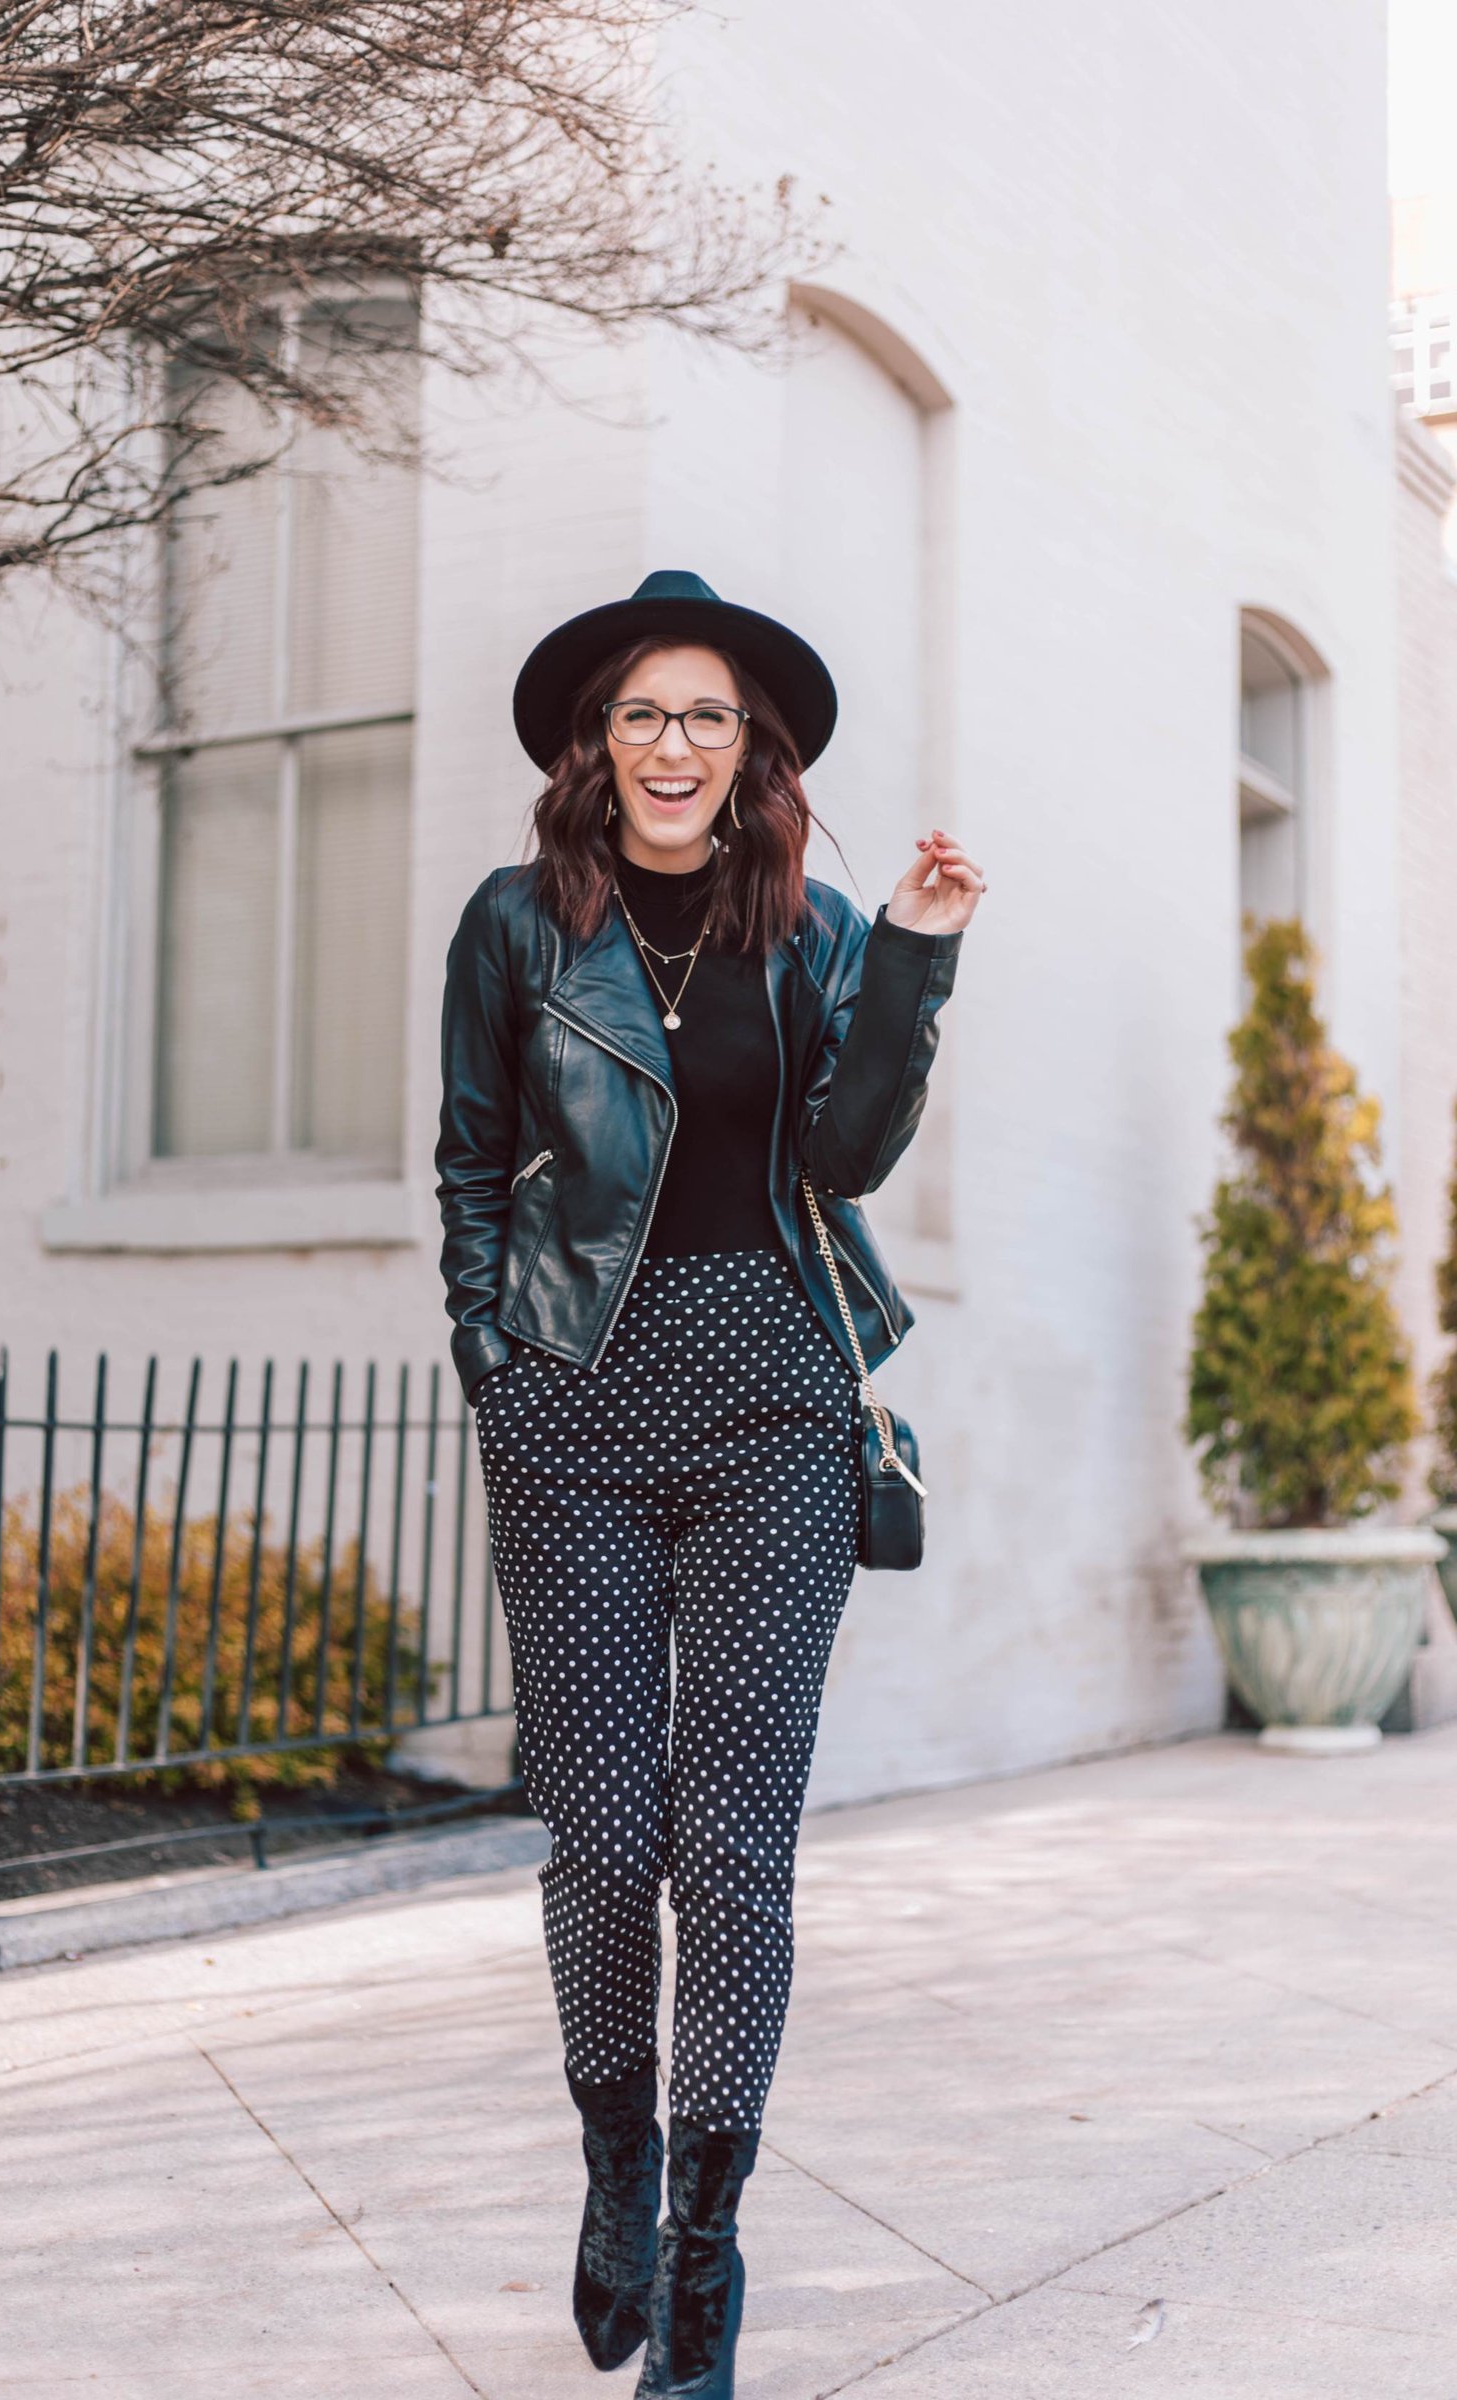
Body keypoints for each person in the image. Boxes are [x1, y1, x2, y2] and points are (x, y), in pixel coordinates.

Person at [434, 569, 984, 2396]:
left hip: (775, 1410)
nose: (675, 746)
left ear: (757, 753)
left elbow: (849, 1153)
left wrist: (908, 951)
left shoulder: (814, 926)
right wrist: (494, 1369)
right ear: (597, 745)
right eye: (643, 714)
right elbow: (471, 1165)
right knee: (602, 1837)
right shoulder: (517, 928)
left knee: (733, 1849)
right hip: (575, 1405)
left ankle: (703, 2248)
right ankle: (614, 2168)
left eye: (710, 717)